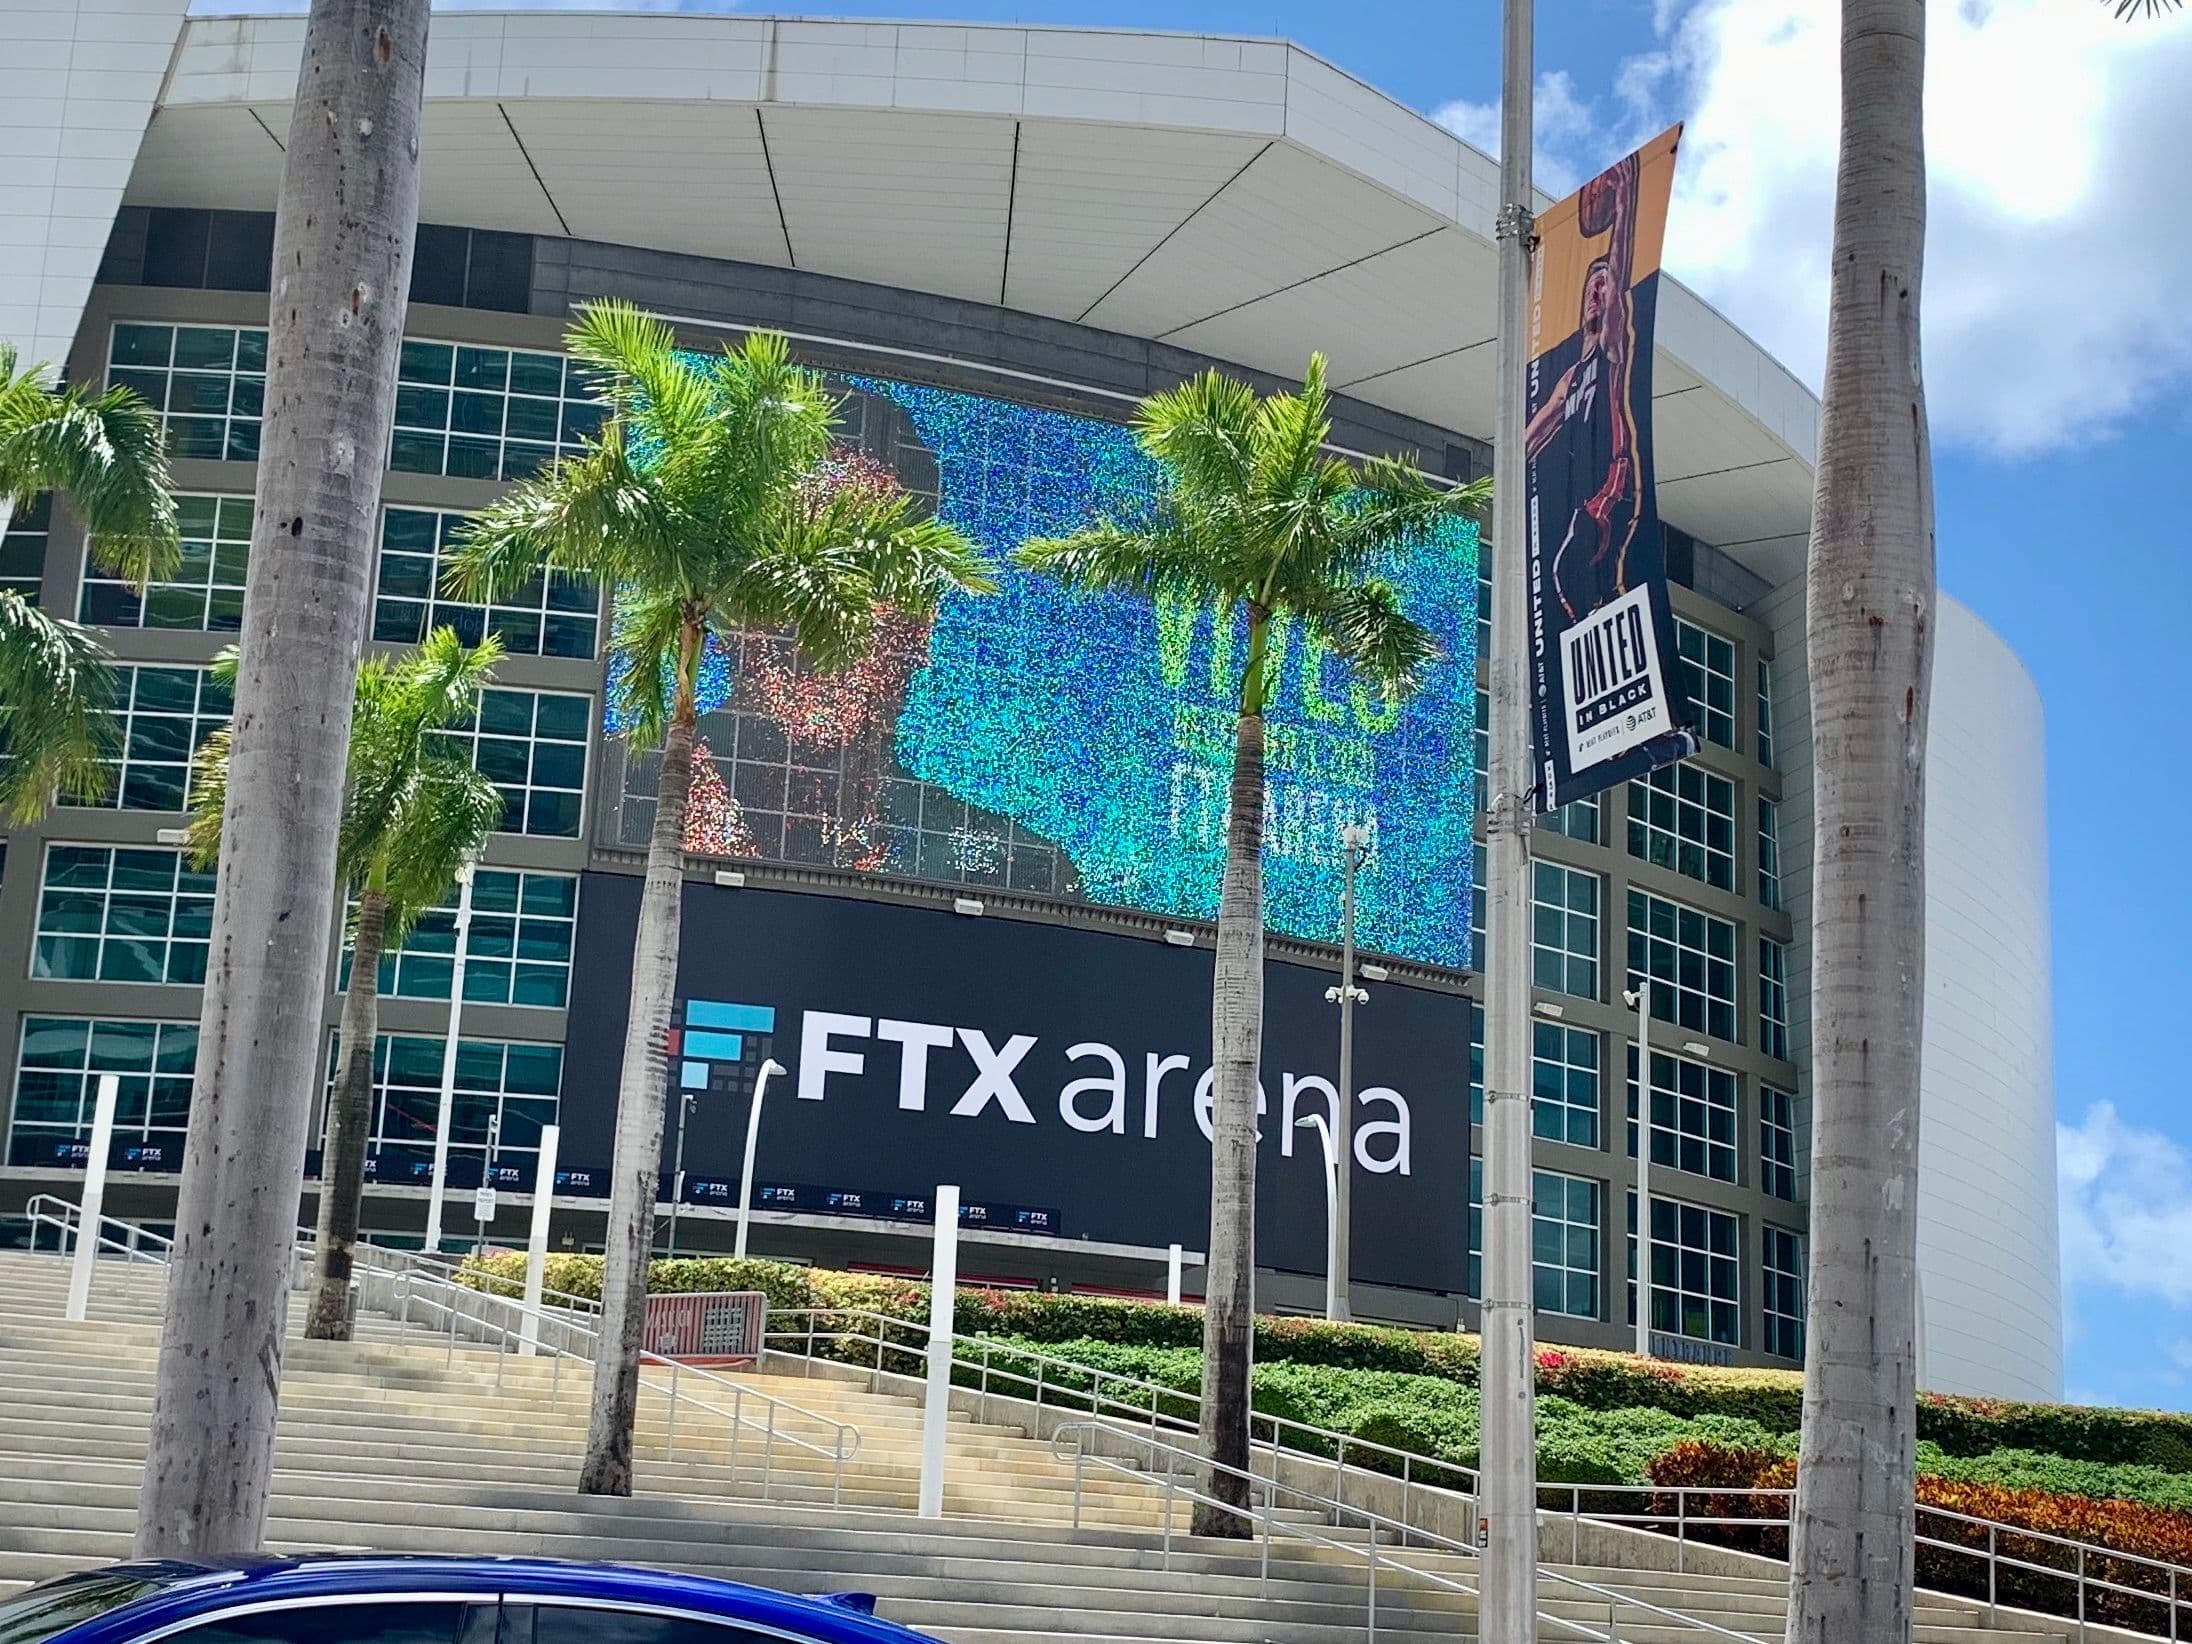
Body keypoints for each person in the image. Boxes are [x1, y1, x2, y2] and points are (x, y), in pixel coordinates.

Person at [1524, 153, 1646, 623]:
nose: (1597, 292)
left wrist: (1626, 198)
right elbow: (1529, 438)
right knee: (1578, 579)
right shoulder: (1570, 376)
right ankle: (1604, 608)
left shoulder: (1612, 346)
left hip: (1616, 482)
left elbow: (1621, 283)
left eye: (1603, 284)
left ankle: (1606, 607)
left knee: (1574, 562)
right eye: (1591, 285)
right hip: (1589, 492)